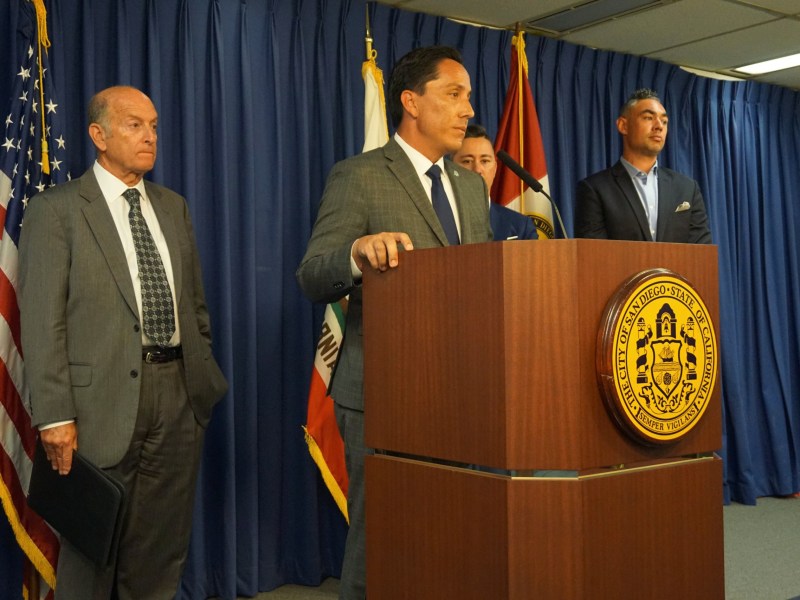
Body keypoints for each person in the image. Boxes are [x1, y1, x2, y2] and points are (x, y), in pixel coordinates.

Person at [296, 46, 492, 599]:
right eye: (453, 95)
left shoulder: (471, 186)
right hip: (384, 392)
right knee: (381, 539)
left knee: (452, 533)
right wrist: (356, 254)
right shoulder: (358, 176)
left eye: (468, 97)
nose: (465, 109)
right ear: (410, 101)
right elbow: (312, 276)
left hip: (465, 392)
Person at [19, 85, 228, 599]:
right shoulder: (58, 210)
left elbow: (193, 304)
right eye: (135, 124)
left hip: (179, 396)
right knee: (91, 552)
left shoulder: (173, 207)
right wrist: (54, 415)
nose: (150, 136)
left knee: (159, 550)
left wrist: (200, 378)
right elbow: (43, 321)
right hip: (95, 406)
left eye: (154, 125)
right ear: (99, 135)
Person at [574, 88, 712, 243]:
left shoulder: (687, 188)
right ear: (623, 126)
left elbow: (701, 253)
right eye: (648, 118)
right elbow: (594, 256)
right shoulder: (595, 189)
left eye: (664, 121)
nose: (659, 126)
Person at [451, 123, 537, 240]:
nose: (477, 170)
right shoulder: (439, 220)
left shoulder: (521, 226)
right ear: (450, 168)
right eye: (467, 161)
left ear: (495, 168)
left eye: (485, 161)